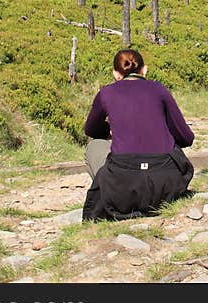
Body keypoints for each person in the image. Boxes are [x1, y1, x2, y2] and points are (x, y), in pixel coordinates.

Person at [81, 49, 195, 221]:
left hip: (123, 188)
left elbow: (91, 131)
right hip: (165, 187)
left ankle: (112, 194)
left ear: (116, 74)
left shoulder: (106, 93)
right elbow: (186, 138)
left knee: (95, 146)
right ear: (144, 70)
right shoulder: (159, 90)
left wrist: (112, 132)